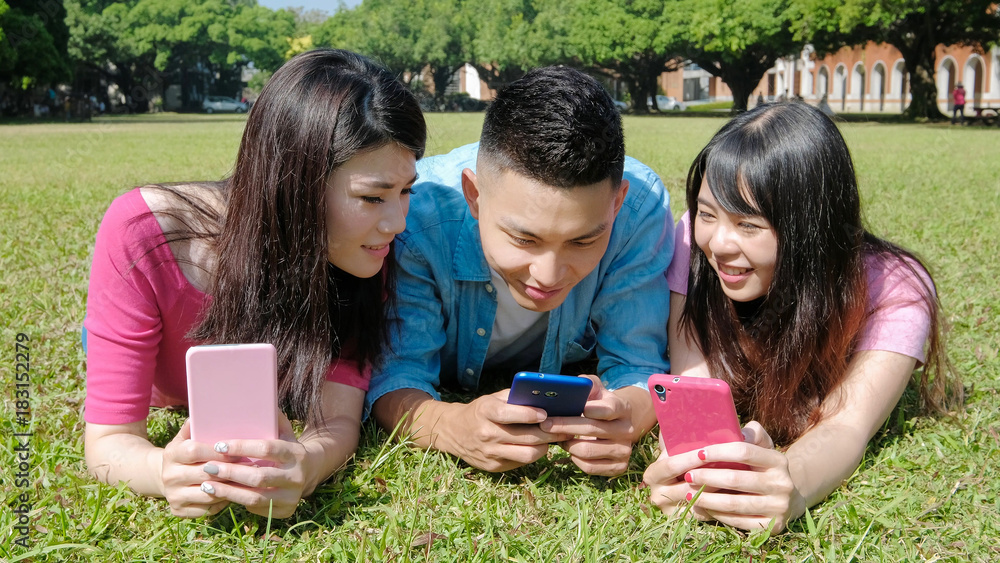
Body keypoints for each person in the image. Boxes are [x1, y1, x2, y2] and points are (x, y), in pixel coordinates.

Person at [83, 49, 426, 519]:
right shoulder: (143, 232)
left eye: (405, 190)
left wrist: (305, 465)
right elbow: (108, 443)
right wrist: (164, 471)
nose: (397, 222)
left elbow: (338, 417)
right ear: (296, 183)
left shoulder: (362, 253)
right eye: (372, 197)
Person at [643, 102, 960, 532]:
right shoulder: (691, 242)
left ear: (812, 227)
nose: (717, 244)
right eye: (707, 213)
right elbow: (692, 383)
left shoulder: (895, 287)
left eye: (749, 225)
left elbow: (847, 425)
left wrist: (787, 486)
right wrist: (689, 459)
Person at [368, 66, 673, 477]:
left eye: (582, 241)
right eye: (524, 240)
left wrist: (628, 413)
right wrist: (452, 427)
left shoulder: (639, 212)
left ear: (616, 204)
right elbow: (397, 374)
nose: (548, 275)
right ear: (473, 196)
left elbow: (638, 364)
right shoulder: (418, 217)